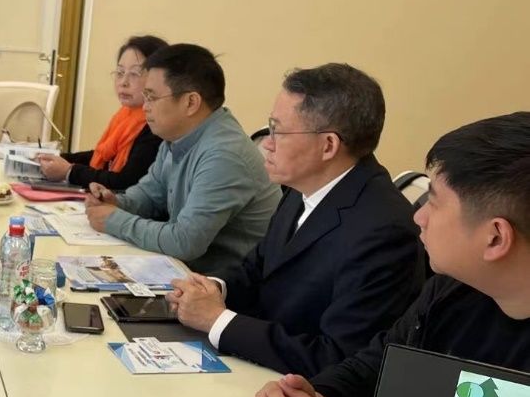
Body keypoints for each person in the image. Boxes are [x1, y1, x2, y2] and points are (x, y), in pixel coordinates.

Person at [249, 113, 530, 397]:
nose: (419, 216)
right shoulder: (453, 289)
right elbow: (377, 365)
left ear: (495, 238)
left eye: (434, 202)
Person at [169, 64, 425, 375]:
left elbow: (338, 357)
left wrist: (217, 320)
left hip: (304, 389)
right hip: (262, 364)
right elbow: (258, 269)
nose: (268, 143)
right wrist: (211, 288)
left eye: (278, 130)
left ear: (328, 145)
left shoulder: (384, 230)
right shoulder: (304, 186)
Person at [84, 43, 279, 272]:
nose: (145, 107)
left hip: (225, 283)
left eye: (151, 97)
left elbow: (185, 242)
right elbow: (150, 195)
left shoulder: (224, 154)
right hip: (188, 272)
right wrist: (116, 203)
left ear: (191, 102)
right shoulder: (177, 136)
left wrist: (113, 220)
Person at [36, 35, 166, 189]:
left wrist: (69, 172)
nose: (123, 82)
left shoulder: (156, 125)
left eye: (135, 74)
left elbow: (125, 182)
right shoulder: (125, 115)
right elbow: (103, 156)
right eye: (120, 72)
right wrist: (56, 158)